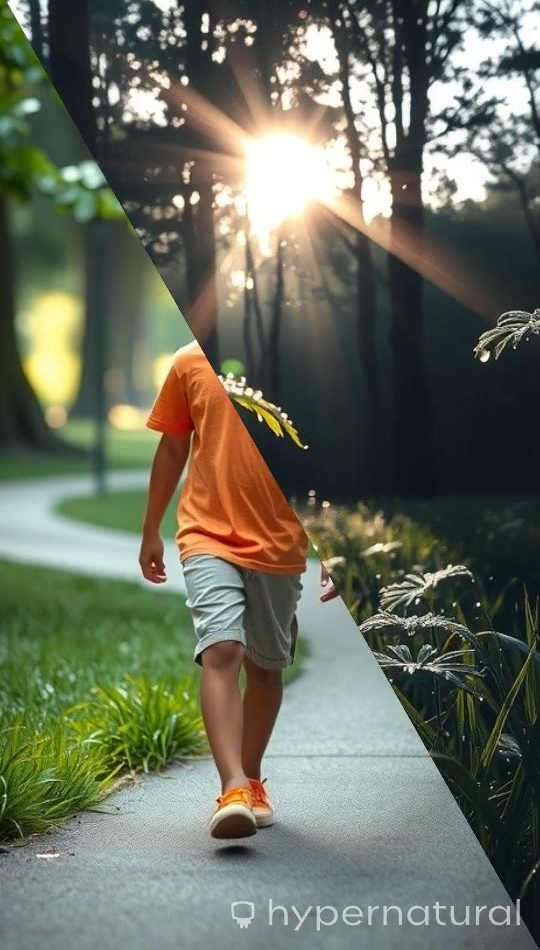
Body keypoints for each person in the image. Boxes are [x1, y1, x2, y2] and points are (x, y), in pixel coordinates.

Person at [138, 340, 308, 840]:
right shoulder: (189, 360)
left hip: (280, 543)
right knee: (223, 649)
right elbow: (171, 446)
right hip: (207, 533)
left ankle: (252, 778)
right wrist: (151, 528)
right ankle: (231, 787)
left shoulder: (301, 357)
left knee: (266, 669)